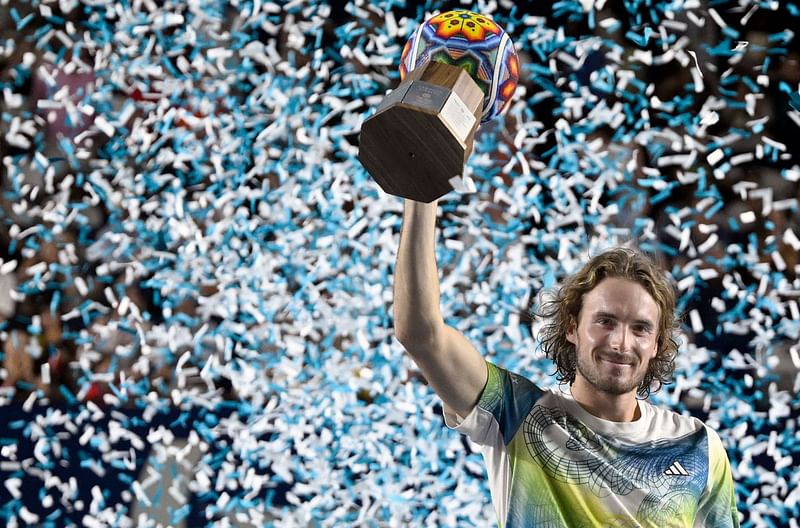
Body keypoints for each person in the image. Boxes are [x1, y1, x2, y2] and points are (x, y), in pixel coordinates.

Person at [393, 199, 740, 527]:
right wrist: (423, 197)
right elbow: (421, 334)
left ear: (656, 344)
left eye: (640, 328)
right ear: (572, 327)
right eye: (605, 321)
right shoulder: (515, 414)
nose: (621, 343)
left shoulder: (699, 446)